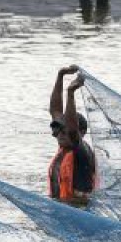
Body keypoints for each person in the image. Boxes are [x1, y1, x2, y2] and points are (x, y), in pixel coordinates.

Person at [47, 65, 97, 208]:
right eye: (60, 130)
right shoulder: (64, 144)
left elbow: (72, 130)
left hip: (81, 210)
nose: (61, 134)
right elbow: (55, 111)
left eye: (66, 131)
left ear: (81, 133)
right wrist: (60, 75)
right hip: (63, 207)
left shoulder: (81, 150)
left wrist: (70, 93)